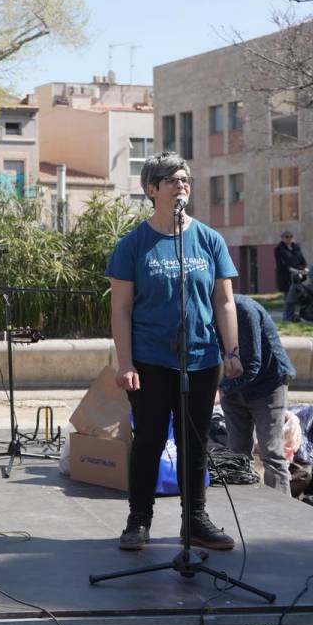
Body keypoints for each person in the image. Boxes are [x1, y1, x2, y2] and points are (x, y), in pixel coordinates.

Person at [107, 153, 243, 552]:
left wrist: (231, 352)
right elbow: (121, 308)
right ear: (152, 189)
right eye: (171, 179)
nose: (181, 185)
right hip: (150, 359)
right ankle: (139, 519)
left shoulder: (208, 239)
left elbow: (224, 302)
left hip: (201, 358)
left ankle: (195, 520)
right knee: (148, 439)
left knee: (194, 442)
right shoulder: (133, 245)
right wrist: (126, 363)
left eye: (185, 179)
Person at [219, 294, 296, 495]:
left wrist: (222, 388)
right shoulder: (206, 312)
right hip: (234, 386)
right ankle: (243, 502)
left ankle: (282, 509)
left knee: (271, 453)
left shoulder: (244, 310)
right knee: (236, 454)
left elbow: (253, 363)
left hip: (268, 385)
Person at [274, 231, 307, 322]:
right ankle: (287, 319)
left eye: (290, 237)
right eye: (286, 237)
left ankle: (293, 317)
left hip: (298, 277)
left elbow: (302, 260)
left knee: (297, 298)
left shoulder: (296, 248)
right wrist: (291, 269)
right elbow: (281, 264)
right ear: (282, 238)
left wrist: (304, 268)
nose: (289, 239)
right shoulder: (279, 249)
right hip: (286, 278)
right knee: (288, 299)